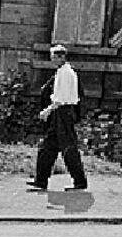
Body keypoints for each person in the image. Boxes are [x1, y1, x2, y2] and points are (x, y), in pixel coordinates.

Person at [26, 44, 88, 192]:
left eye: (54, 57)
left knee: (69, 148)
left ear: (61, 57)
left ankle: (80, 182)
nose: (52, 60)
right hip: (59, 112)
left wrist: (47, 110)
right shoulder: (61, 72)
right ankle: (41, 181)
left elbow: (62, 98)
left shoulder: (66, 73)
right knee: (47, 148)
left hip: (64, 112)